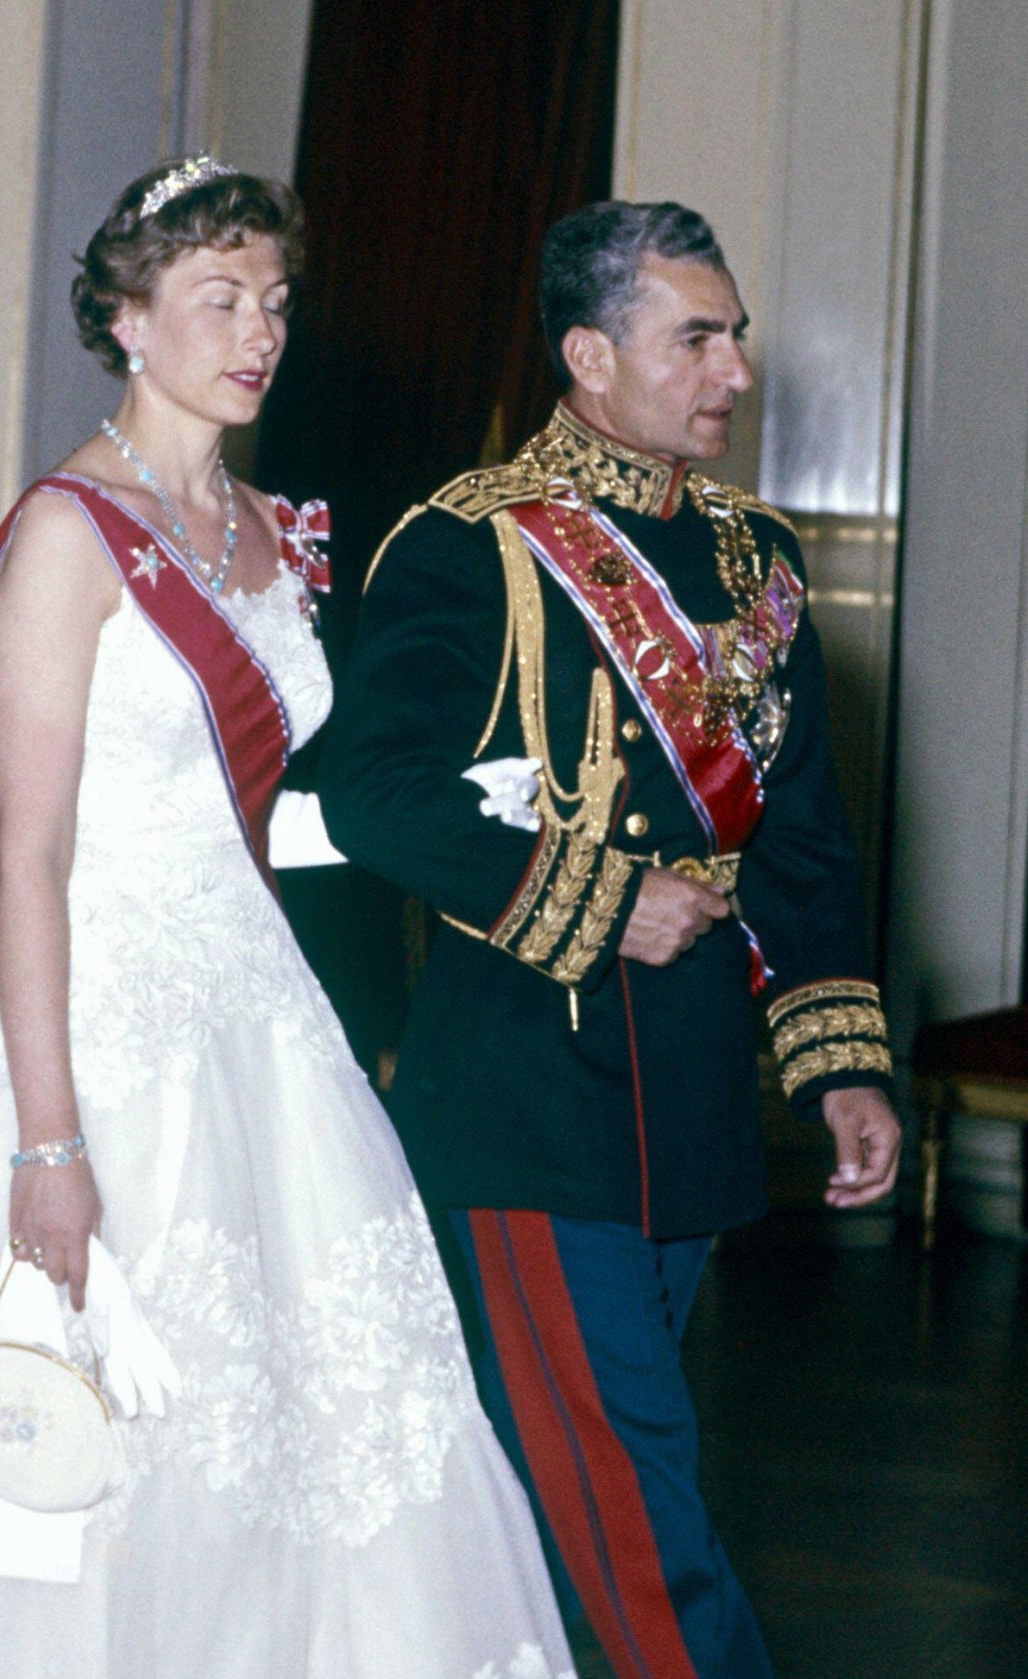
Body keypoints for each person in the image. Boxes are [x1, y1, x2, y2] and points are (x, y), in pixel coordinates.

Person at [0, 158, 577, 1679]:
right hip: (79, 1023)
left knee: (297, 1438)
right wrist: (49, 1142)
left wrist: (478, 807)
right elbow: (34, 852)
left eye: (276, 301)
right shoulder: (69, 534)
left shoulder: (256, 527)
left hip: (255, 1011)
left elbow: (244, 808)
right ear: (125, 316)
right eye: (219, 298)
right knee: (57, 1444)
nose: (259, 332)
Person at [318, 200, 903, 1679]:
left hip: (695, 1095)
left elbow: (808, 840)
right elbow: (371, 796)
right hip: (531, 1092)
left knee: (590, 1491)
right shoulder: (471, 544)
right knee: (633, 1513)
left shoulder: (757, 563)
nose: (737, 371)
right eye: (696, 337)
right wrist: (594, 897)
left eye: (736, 335)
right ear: (590, 354)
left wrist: (839, 1062)